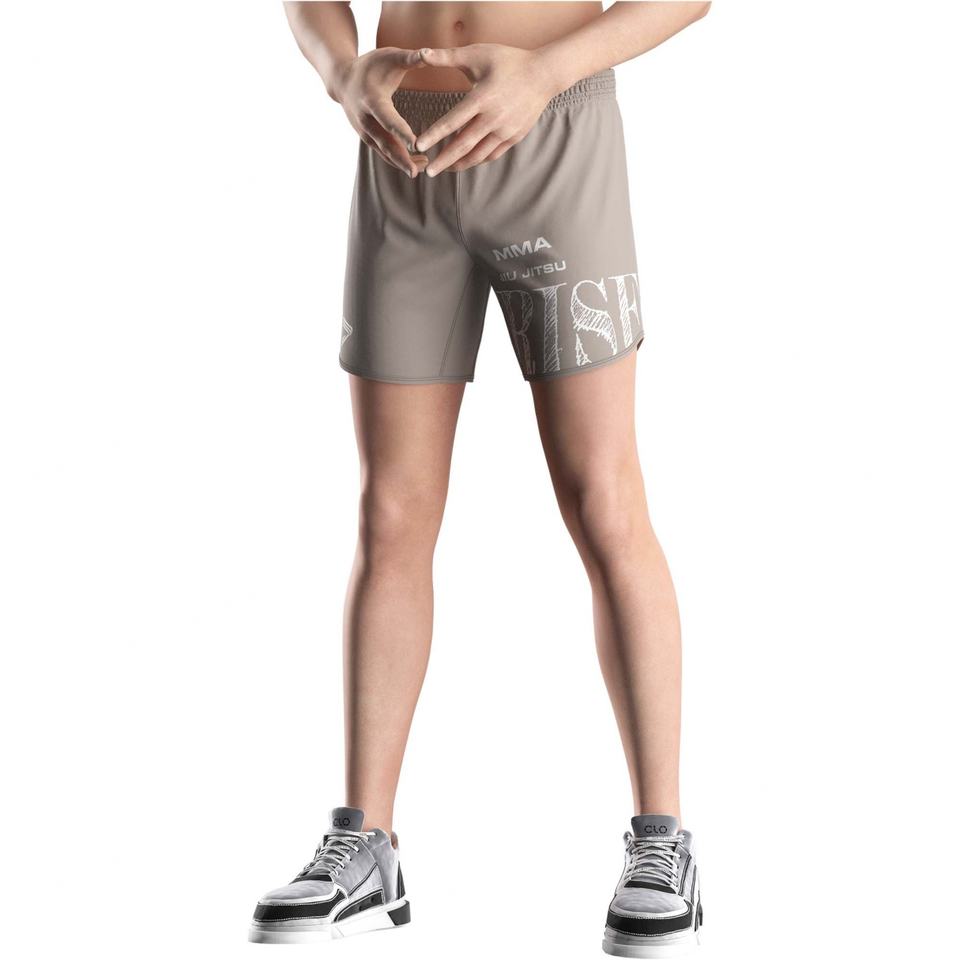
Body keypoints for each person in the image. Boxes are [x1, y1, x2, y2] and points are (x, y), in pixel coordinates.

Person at [249, 3, 710, 955]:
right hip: (402, 148)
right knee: (390, 513)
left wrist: (548, 72)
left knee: (602, 500)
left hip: (551, 137)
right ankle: (366, 845)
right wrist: (343, 73)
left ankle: (664, 841)